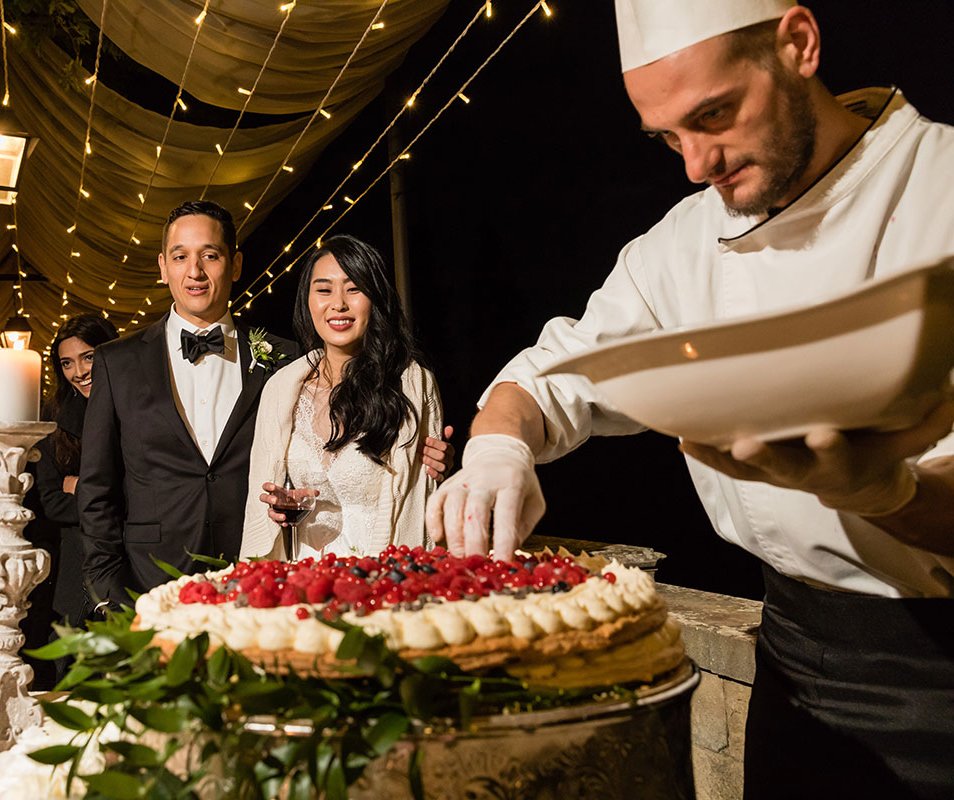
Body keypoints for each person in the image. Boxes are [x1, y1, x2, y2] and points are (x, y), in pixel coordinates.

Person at [427, 3, 954, 796]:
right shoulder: (678, 243)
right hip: (793, 662)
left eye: (715, 115)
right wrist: (501, 446)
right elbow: (554, 371)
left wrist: (889, 493)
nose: (696, 164)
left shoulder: (941, 189)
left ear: (799, 44)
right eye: (669, 137)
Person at [78, 201, 452, 605]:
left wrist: (439, 463)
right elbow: (97, 488)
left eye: (210, 255)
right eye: (180, 256)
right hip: (149, 579)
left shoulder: (283, 362)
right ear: (163, 266)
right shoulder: (117, 362)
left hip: (262, 581)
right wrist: (105, 590)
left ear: (235, 265)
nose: (195, 271)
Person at [241, 235, 443, 560]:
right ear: (307, 301)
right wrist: (280, 509)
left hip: (381, 574)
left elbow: (423, 499)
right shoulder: (281, 389)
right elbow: (263, 501)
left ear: (375, 298)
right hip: (302, 578)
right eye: (324, 290)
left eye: (354, 289)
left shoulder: (411, 383)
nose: (339, 304)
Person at [34, 313, 118, 628]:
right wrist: (114, 496)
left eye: (88, 358)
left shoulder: (138, 408)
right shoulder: (53, 417)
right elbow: (51, 502)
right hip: (75, 558)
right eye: (67, 363)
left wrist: (79, 487)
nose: (79, 372)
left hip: (134, 555)